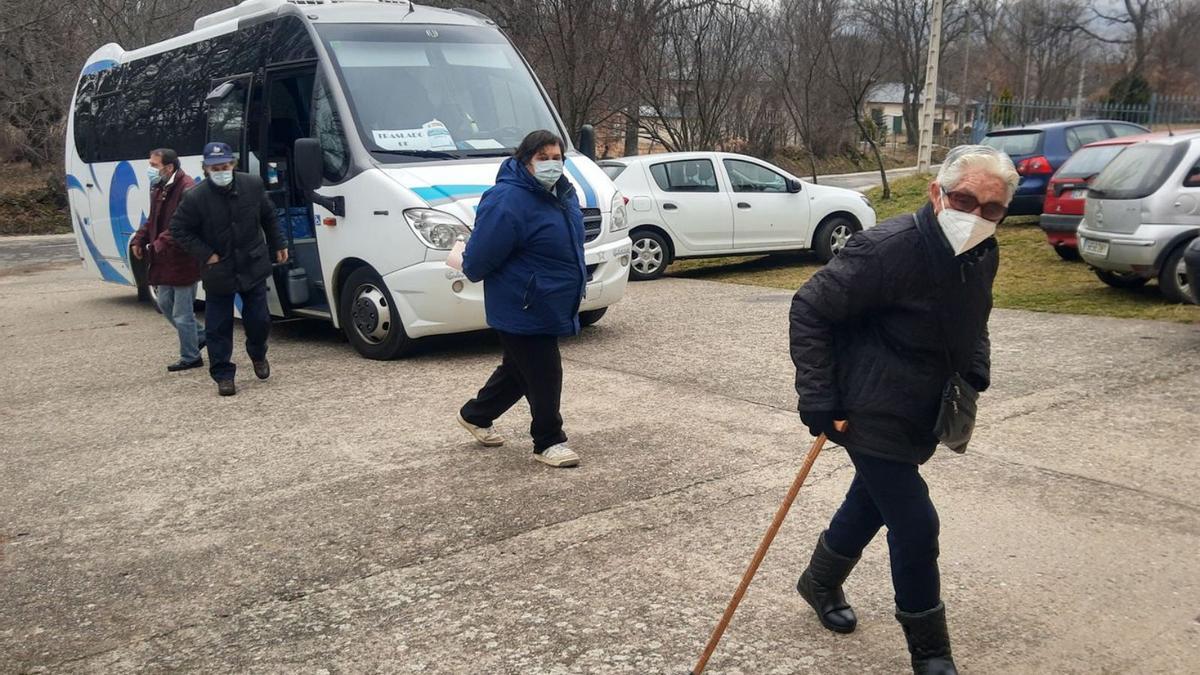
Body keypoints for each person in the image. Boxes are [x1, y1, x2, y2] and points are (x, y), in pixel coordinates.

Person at [788, 145, 1018, 674]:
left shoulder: (984, 249)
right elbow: (810, 309)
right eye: (965, 200)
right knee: (915, 523)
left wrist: (974, 370)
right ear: (937, 193)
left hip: (926, 405)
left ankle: (819, 581)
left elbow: (975, 316)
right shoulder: (886, 248)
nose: (977, 215)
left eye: (992, 208)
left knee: (872, 499)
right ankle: (930, 652)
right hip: (868, 405)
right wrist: (819, 397)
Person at [455, 130, 587, 468]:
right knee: (544, 372)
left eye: (557, 158)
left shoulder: (562, 194)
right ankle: (548, 440)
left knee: (518, 371)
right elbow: (480, 259)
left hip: (550, 300)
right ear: (525, 160)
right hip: (521, 303)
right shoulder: (507, 200)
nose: (552, 165)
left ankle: (475, 414)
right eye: (543, 158)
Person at [170, 142, 287, 397]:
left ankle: (258, 353)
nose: (221, 171)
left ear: (233, 164)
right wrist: (206, 254)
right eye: (214, 168)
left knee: (259, 320)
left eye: (224, 166)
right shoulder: (195, 197)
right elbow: (179, 229)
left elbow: (269, 216)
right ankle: (223, 375)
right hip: (218, 270)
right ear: (206, 169)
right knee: (218, 328)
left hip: (252, 264)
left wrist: (279, 243)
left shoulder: (252, 185)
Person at [130, 148, 203, 371]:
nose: (150, 169)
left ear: (169, 167)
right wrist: (139, 240)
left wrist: (159, 244)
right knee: (164, 303)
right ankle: (201, 335)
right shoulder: (160, 187)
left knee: (182, 312)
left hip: (182, 258)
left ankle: (190, 356)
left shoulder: (186, 188)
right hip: (164, 259)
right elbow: (152, 219)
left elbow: (181, 225)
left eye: (154, 165)